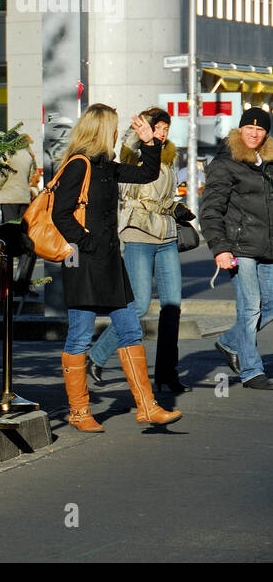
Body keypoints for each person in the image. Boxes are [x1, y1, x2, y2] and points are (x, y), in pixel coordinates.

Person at [53, 104, 182, 429]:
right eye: (112, 127)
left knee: (129, 328)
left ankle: (147, 406)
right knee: (80, 336)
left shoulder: (107, 166)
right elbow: (60, 213)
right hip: (83, 261)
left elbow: (146, 174)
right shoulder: (77, 165)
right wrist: (86, 242)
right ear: (100, 129)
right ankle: (79, 411)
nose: (115, 133)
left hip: (110, 262)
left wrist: (148, 143)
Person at [85, 108, 193, 393]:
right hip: (138, 233)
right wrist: (141, 135)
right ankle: (96, 356)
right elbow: (132, 163)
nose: (163, 134)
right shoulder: (134, 152)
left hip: (167, 234)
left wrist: (176, 209)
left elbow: (164, 195)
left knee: (172, 305)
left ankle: (167, 373)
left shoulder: (169, 156)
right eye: (158, 128)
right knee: (140, 304)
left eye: (166, 130)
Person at [198, 107, 273, 390]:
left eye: (261, 129)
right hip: (239, 246)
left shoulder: (267, 161)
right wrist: (220, 248)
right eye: (250, 128)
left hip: (268, 246)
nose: (254, 134)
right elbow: (211, 209)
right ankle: (252, 371)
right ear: (240, 129)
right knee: (250, 307)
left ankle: (229, 341)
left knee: (271, 303)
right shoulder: (225, 162)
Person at [0, 134, 36, 223]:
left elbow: (1, 176)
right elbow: (31, 174)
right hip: (24, 196)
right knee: (21, 228)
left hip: (8, 196)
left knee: (10, 227)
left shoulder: (6, 155)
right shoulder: (27, 154)